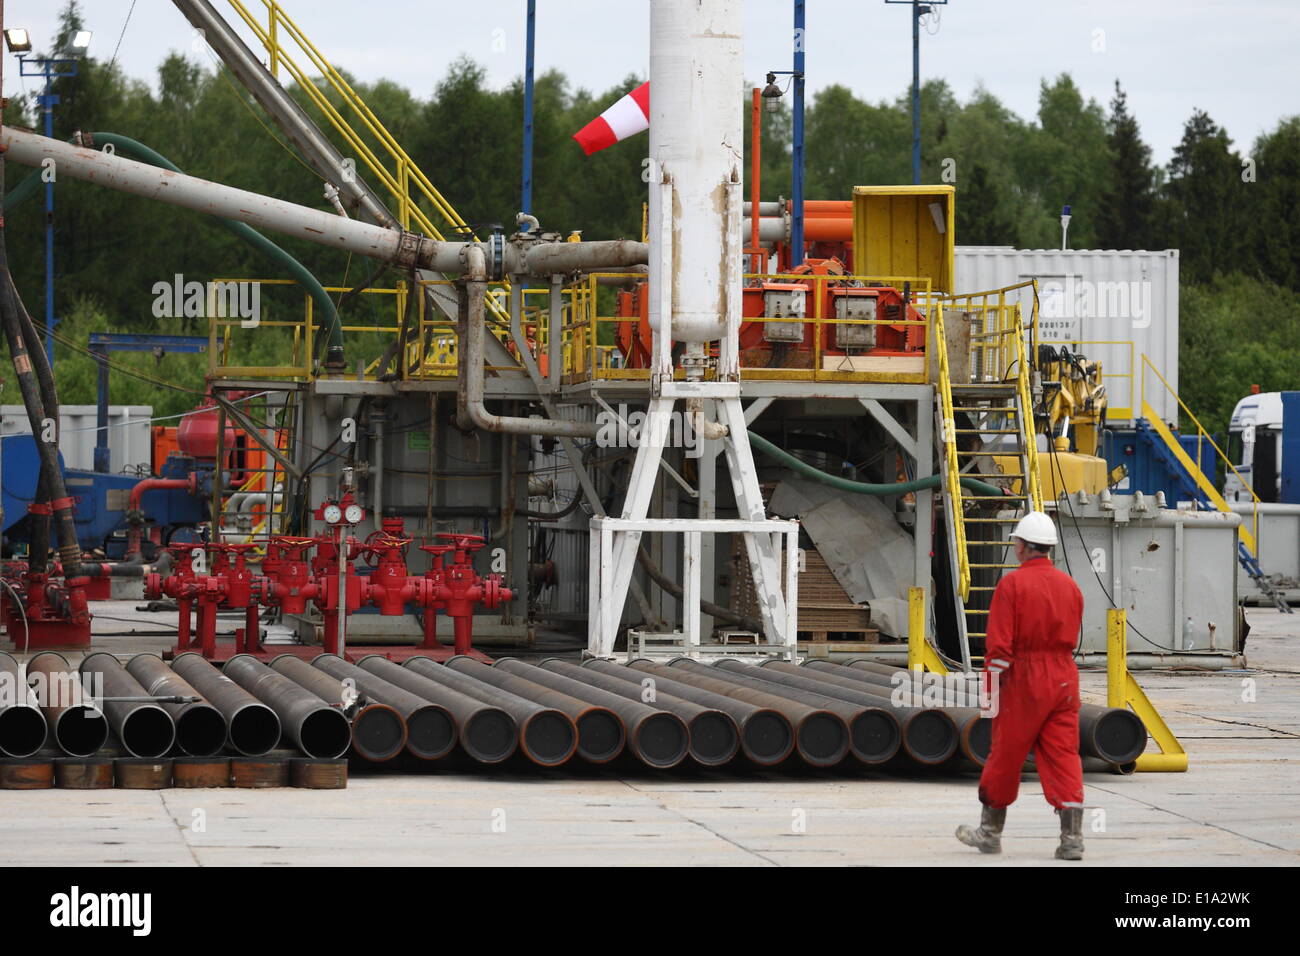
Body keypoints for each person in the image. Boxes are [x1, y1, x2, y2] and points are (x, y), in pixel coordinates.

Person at [955, 510, 1086, 860]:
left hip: (1024, 680)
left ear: (1023, 547)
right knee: (1063, 754)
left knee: (1006, 754)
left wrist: (990, 698)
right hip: (1063, 678)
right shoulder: (1070, 586)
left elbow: (999, 649)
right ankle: (1072, 839)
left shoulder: (1012, 585)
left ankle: (989, 833)